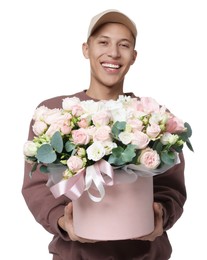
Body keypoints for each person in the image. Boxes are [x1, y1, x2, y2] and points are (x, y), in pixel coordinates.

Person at [22, 9, 186, 260]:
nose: (113, 52)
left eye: (124, 45)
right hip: (75, 255)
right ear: (86, 49)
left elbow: (171, 186)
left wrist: (160, 215)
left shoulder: (154, 115)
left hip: (145, 255)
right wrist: (62, 221)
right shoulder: (54, 114)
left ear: (133, 56)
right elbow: (36, 187)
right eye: (103, 42)